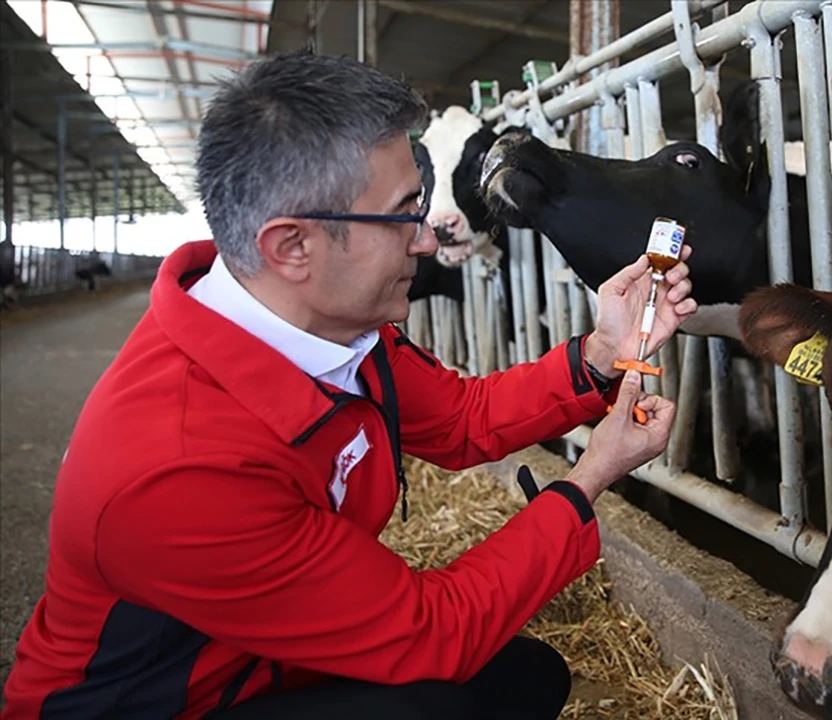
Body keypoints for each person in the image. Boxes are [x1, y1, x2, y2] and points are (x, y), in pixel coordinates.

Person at [1, 50, 697, 720]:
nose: (425, 241)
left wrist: (604, 352)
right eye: (402, 215)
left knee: (522, 679)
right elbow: (429, 634)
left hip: (262, 658)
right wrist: (594, 472)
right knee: (441, 699)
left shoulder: (328, 326)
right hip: (173, 702)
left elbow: (462, 419)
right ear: (292, 246)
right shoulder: (176, 469)